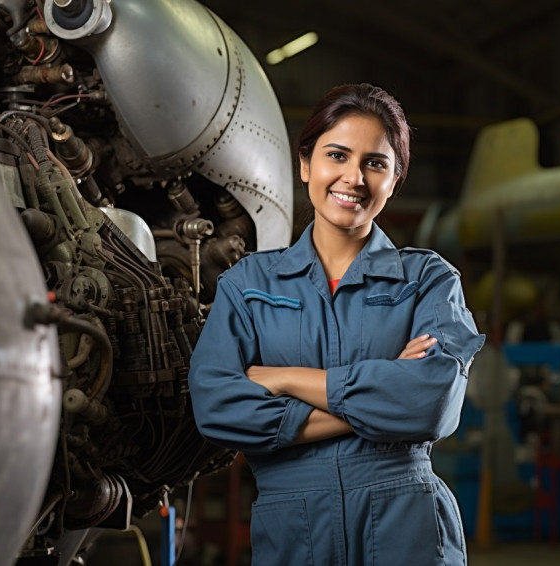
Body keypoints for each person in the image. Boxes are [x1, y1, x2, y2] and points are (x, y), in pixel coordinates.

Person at [189, 83, 484, 565]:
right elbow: (216, 407)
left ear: (394, 179)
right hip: (293, 529)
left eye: (375, 163)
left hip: (405, 524)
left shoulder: (428, 278)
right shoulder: (248, 284)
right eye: (337, 155)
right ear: (306, 164)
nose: (354, 177)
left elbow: (433, 404)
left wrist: (285, 379)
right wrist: (384, 400)